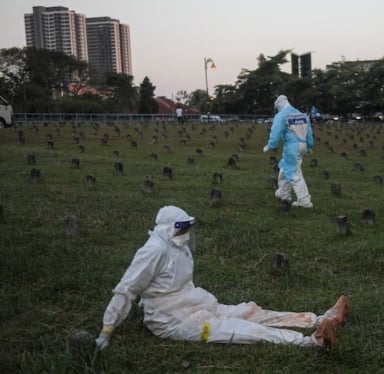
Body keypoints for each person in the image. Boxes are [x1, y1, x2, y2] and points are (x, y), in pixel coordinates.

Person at [95, 205, 349, 350]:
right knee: (242, 329)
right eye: (182, 228)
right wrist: (106, 331)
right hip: (170, 320)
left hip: (194, 303)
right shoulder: (152, 251)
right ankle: (310, 342)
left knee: (249, 311)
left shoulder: (177, 246)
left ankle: (321, 319)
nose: (186, 233)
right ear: (168, 229)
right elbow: (125, 290)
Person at [263, 95, 315, 208]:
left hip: (292, 147)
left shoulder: (282, 115)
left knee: (295, 173)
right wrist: (310, 146)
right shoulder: (301, 115)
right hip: (303, 145)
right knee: (285, 168)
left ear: (279, 104)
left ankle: (305, 201)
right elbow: (309, 133)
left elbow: (276, 132)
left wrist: (270, 145)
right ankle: (283, 193)